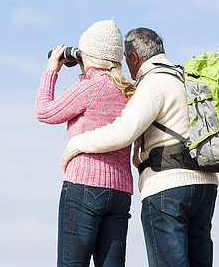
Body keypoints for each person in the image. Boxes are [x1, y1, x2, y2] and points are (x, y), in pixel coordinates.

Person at [63, 28, 219, 267]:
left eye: (127, 61)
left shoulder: (154, 81)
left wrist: (76, 144)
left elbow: (124, 131)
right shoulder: (183, 76)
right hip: (205, 185)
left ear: (134, 57)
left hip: (168, 187)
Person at [35, 20, 136, 267]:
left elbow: (44, 112)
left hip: (84, 186)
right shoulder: (130, 92)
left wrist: (51, 70)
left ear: (88, 54)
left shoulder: (91, 88)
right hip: (121, 191)